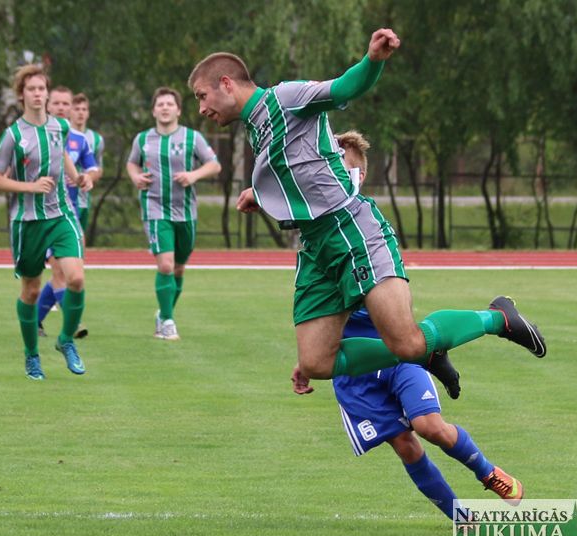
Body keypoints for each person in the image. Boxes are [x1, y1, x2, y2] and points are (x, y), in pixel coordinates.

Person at [188, 28, 546, 381]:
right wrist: (260, 192)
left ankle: (497, 318)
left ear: (226, 83)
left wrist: (372, 61)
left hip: (350, 229)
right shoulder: (254, 124)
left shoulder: (284, 98)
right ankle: (427, 350)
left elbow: (343, 88)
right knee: (315, 362)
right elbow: (301, 162)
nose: (201, 108)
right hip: (316, 246)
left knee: (407, 342)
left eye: (202, 96)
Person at [290, 131, 523, 521]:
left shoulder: (368, 228)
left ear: (358, 176)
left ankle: (488, 473)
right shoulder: (314, 237)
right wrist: (309, 360)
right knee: (406, 444)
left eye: (341, 169)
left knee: (430, 427)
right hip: (355, 369)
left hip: (395, 354)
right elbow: (315, 314)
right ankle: (462, 518)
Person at [0, 65, 92, 380]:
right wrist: (30, 187)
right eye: (31, 89)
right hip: (28, 222)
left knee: (76, 279)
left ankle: (66, 340)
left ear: (47, 93)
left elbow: (64, 155)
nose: (37, 94)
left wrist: (78, 178)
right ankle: (32, 356)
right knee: (31, 291)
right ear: (22, 95)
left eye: (41, 88)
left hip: (61, 215)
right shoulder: (13, 135)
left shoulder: (61, 126)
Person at [126, 87, 222, 340]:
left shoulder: (192, 138)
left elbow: (214, 165)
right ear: (153, 111)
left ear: (178, 110)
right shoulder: (143, 139)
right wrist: (136, 177)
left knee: (178, 268)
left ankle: (163, 312)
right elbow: (132, 162)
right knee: (166, 265)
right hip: (155, 208)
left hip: (186, 211)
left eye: (170, 104)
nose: (165, 108)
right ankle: (168, 321)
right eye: (160, 104)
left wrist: (193, 175)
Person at [35, 86, 100, 340]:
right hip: (42, 214)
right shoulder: (37, 135)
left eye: (66, 104)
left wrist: (87, 178)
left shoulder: (79, 140)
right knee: (59, 273)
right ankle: (72, 322)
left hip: (69, 214)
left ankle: (34, 321)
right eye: (57, 103)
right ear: (48, 105)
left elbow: (92, 169)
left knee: (66, 273)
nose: (61, 108)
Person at [71, 93, 105, 237]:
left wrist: (88, 177)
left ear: (88, 113)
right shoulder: (63, 134)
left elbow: (98, 168)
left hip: (83, 198)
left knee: (79, 235)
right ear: (70, 111)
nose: (80, 113)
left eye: (84, 109)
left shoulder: (96, 139)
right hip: (64, 195)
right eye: (77, 109)